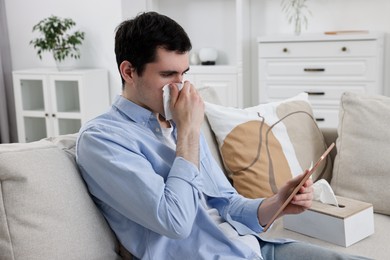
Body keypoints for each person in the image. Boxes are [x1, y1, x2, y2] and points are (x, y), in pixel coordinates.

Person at [76, 11, 369, 260]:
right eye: (167, 75)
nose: (180, 88)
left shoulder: (179, 122)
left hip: (257, 248)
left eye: (184, 74)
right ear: (129, 71)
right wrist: (189, 133)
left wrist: (277, 203)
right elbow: (174, 221)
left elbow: (227, 203)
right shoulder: (102, 140)